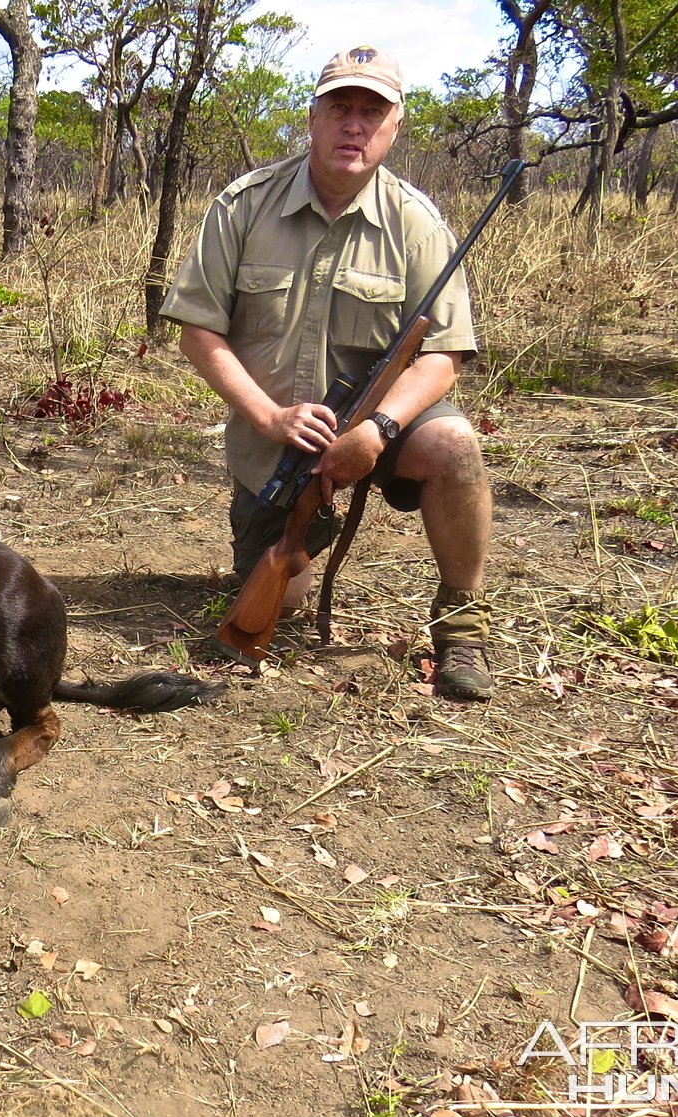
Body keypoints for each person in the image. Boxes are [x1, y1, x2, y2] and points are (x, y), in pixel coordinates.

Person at [159, 45, 496, 700]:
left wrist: (377, 429)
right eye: (340, 107)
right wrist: (270, 416)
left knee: (455, 444)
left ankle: (462, 630)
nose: (354, 125)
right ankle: (294, 545)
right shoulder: (243, 206)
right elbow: (199, 332)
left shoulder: (419, 224)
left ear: (394, 128)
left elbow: (444, 355)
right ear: (311, 117)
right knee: (274, 605)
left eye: (373, 112)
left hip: (381, 429)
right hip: (278, 452)